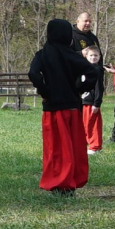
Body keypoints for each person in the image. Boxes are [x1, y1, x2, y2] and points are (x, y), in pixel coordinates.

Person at [28, 19, 102, 194]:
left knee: (55, 147)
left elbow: (33, 73)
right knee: (72, 146)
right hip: (72, 106)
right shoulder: (72, 54)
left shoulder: (42, 54)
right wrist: (79, 89)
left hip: (52, 108)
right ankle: (70, 183)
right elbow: (92, 72)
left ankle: (56, 182)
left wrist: (44, 91)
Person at [79, 47, 105, 155]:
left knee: (93, 124)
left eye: (96, 55)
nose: (93, 57)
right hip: (84, 101)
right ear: (86, 56)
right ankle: (86, 143)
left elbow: (99, 87)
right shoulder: (85, 69)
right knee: (85, 124)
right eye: (91, 55)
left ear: (99, 57)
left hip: (92, 103)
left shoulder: (98, 70)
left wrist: (97, 103)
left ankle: (95, 146)